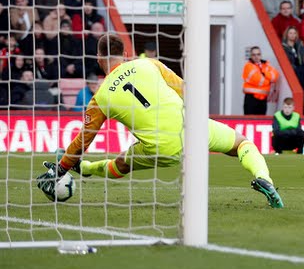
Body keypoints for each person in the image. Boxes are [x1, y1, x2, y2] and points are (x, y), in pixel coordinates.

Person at [36, 34, 283, 208]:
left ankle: (86, 169)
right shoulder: (149, 64)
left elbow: (83, 141)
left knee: (122, 164)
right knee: (240, 143)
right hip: (193, 127)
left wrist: (61, 169)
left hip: (161, 148)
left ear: (99, 60)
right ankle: (265, 178)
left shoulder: (100, 98)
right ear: (124, 54)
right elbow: (187, 90)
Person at [242, 46, 280, 115]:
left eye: (258, 54)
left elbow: (275, 76)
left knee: (261, 121)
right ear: (251, 56)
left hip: (263, 100)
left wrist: (264, 73)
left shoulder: (266, 65)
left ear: (261, 55)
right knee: (249, 122)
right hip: (251, 99)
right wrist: (267, 78)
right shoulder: (248, 66)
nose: (256, 57)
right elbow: (259, 80)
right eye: (254, 55)